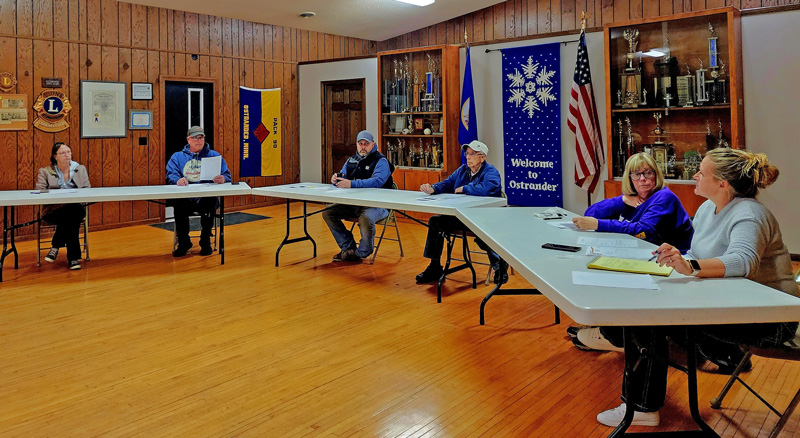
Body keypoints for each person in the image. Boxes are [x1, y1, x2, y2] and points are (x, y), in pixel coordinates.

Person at [595, 148, 798, 428]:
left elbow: (742, 261)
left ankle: (642, 406)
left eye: (702, 172)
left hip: (772, 318)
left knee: (650, 318)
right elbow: (696, 251)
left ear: (722, 184)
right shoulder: (706, 208)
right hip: (734, 303)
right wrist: (677, 255)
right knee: (645, 313)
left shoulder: (750, 213)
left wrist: (691, 266)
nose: (695, 175)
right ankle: (646, 395)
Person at [569, 153, 694, 351]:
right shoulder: (633, 199)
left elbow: (644, 231)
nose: (643, 179)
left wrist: (599, 224)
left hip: (675, 263)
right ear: (629, 179)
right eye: (636, 175)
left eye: (648, 173)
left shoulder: (664, 197)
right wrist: (621, 200)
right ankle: (610, 327)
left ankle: (618, 336)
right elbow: (589, 214)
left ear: (656, 175)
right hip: (648, 256)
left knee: (613, 275)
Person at [415, 140, 508, 285]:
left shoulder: (491, 172)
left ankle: (500, 266)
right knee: (435, 221)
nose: (468, 157)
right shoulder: (463, 170)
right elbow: (448, 183)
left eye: (472, 154)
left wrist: (465, 189)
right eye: (467, 153)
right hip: (462, 216)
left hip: (485, 217)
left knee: (485, 230)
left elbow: (487, 189)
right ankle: (434, 267)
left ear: (482, 157)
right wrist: (433, 188)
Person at [322, 130, 393, 263]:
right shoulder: (352, 160)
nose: (363, 147)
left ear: (373, 144)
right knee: (328, 212)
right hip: (354, 203)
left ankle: (362, 252)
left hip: (378, 204)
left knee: (366, 218)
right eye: (360, 144)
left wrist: (352, 184)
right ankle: (348, 248)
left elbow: (376, 182)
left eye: (366, 144)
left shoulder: (381, 161)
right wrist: (336, 179)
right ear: (356, 145)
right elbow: (343, 176)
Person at [166, 126, 231, 257]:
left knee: (210, 201)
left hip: (205, 198)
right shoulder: (177, 157)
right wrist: (177, 180)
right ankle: (184, 243)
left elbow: (227, 174)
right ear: (188, 140)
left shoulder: (214, 156)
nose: (199, 140)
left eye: (201, 137)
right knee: (178, 205)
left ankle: (206, 241)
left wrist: (223, 178)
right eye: (195, 137)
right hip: (187, 198)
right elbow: (170, 175)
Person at [36, 142, 91, 270]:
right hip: (53, 211)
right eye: (62, 153)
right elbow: (40, 191)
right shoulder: (45, 172)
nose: (67, 155)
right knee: (72, 218)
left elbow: (87, 189)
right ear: (55, 156)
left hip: (76, 207)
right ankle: (73, 259)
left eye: (69, 152)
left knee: (73, 210)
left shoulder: (80, 169)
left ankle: (56, 245)